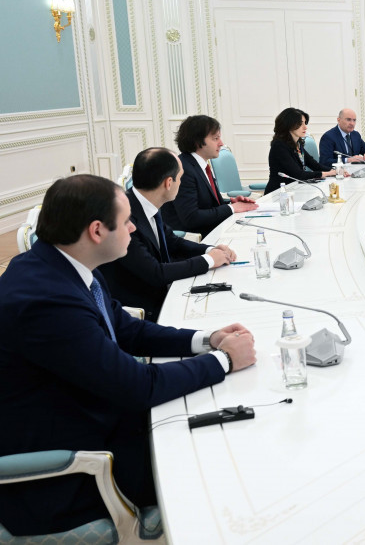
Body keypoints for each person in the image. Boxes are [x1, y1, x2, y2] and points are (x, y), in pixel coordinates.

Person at [0, 175, 256, 537]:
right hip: (68, 469)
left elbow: (126, 329)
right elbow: (136, 387)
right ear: (96, 231)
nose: (134, 228)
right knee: (222, 465)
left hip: (90, 412)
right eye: (126, 222)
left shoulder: (65, 265)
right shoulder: (47, 301)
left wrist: (207, 340)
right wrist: (224, 361)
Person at [99, 148, 237, 323]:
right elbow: (155, 273)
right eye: (180, 178)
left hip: (163, 293)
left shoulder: (145, 202)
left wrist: (211, 250)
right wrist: (209, 260)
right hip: (144, 311)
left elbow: (173, 242)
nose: (181, 183)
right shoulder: (126, 219)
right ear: (169, 183)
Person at [161, 114, 257, 237]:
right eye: (215, 138)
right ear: (197, 141)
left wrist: (231, 204)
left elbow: (207, 205)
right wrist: (232, 208)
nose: (221, 143)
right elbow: (191, 218)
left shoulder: (199, 165)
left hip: (212, 232)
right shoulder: (184, 170)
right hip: (193, 240)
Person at [264, 107, 337, 195]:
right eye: (300, 123)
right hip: (279, 193)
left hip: (294, 190)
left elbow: (314, 165)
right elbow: (299, 175)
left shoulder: (297, 144)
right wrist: (326, 173)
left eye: (305, 123)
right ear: (289, 124)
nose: (305, 127)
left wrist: (335, 171)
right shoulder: (279, 146)